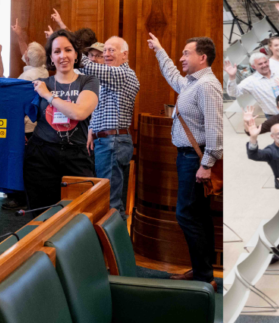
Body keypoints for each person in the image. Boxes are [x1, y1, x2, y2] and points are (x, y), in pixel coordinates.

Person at [149, 33, 221, 284]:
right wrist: (159, 50)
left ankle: (204, 276)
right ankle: (203, 272)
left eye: (185, 53)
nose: (181, 58)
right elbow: (172, 76)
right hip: (190, 158)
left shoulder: (206, 85)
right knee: (198, 216)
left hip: (196, 160)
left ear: (202, 58)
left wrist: (206, 164)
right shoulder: (192, 83)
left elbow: (215, 129)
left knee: (187, 215)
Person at [24, 30, 100, 210]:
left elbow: (79, 112)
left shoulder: (88, 81)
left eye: (67, 50)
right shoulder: (40, 83)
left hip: (77, 156)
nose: (62, 56)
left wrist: (48, 96)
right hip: (41, 156)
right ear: (51, 56)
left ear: (76, 54)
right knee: (42, 216)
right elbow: (2, 95)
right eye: (57, 51)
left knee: (79, 215)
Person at [77, 35, 140, 214]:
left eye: (111, 50)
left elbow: (87, 65)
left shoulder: (122, 73)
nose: (106, 54)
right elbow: (101, 107)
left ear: (124, 55)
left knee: (110, 204)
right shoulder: (112, 75)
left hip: (112, 142)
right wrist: (92, 128)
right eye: (105, 50)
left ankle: (116, 242)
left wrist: (66, 34)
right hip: (107, 140)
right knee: (108, 201)